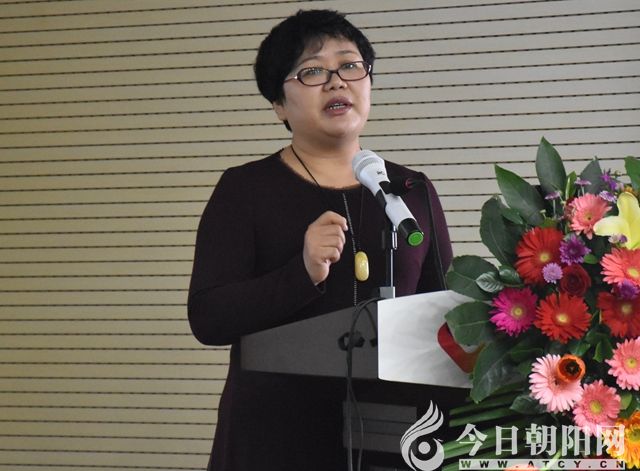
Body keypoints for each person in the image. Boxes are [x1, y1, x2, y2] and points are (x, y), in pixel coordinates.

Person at [188, 9, 458, 471]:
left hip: (394, 438)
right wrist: (301, 274)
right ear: (279, 104)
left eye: (350, 66)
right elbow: (208, 318)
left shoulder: (412, 190)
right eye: (312, 71)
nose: (336, 82)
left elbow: (445, 317)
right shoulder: (245, 189)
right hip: (274, 439)